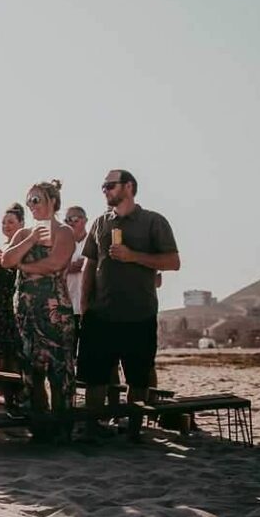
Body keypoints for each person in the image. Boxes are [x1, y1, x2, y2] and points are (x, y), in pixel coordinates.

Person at [79, 170, 180, 442]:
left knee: (138, 378)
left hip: (139, 314)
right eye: (103, 186)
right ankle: (92, 431)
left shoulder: (153, 222)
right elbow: (90, 264)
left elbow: (173, 262)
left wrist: (133, 256)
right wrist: (85, 305)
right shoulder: (100, 223)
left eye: (110, 185)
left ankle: (134, 432)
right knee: (95, 377)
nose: (105, 190)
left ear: (129, 187)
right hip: (101, 314)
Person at [1, 181, 76, 440]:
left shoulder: (64, 232)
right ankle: (40, 427)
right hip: (26, 311)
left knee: (59, 370)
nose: (32, 205)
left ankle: (62, 429)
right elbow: (6, 260)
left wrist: (24, 267)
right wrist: (31, 239)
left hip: (54, 310)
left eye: (37, 199)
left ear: (53, 202)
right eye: (29, 200)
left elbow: (55, 264)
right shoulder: (24, 234)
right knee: (31, 369)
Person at [0, 203, 26, 406]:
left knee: (16, 353)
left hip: (17, 304)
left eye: (11, 222)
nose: (6, 225)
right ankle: (4, 399)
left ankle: (20, 398)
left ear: (21, 224)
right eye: (3, 222)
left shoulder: (26, 248)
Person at [64, 206, 89, 337]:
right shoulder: (62, 244)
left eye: (75, 219)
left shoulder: (93, 242)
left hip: (89, 307)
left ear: (85, 220)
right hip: (67, 307)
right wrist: (69, 267)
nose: (71, 223)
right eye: (67, 220)